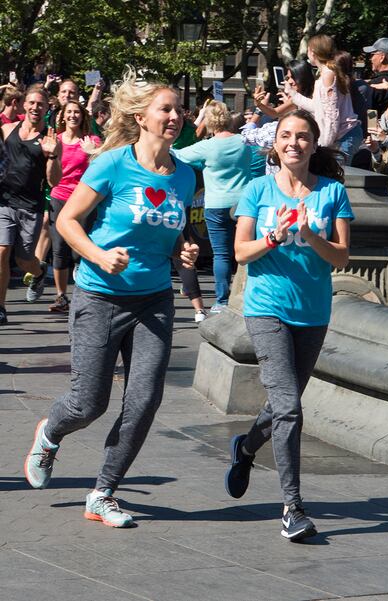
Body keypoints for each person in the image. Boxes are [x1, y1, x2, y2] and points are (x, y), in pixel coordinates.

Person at [24, 69, 199, 528]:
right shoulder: (113, 164)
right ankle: (50, 434)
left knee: (144, 399)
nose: (175, 116)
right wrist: (100, 256)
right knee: (89, 402)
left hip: (154, 301)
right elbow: (67, 222)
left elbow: (174, 228)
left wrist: (185, 247)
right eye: (166, 108)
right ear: (141, 117)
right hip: (99, 297)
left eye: (179, 109)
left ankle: (103, 492)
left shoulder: (185, 175)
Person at [225, 109, 353, 541]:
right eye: (285, 136)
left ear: (313, 145)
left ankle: (245, 448)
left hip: (313, 313)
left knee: (284, 405)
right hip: (267, 309)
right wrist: (274, 238)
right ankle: (292, 507)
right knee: (291, 409)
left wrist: (310, 234)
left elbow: (341, 258)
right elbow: (241, 253)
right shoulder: (257, 190)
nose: (293, 143)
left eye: (302, 136)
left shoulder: (332, 191)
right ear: (274, 144)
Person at [174, 101, 252, 313]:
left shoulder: (207, 146)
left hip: (216, 204)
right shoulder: (244, 141)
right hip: (242, 204)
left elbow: (177, 155)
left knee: (221, 254)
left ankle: (222, 301)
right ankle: (247, 296)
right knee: (245, 252)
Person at [0, 87, 62, 325]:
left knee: (24, 260)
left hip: (30, 206)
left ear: (47, 109)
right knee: (2, 251)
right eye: (32, 103)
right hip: (4, 202)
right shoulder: (7, 130)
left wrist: (52, 156)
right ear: (23, 105)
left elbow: (53, 181)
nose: (36, 108)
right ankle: (1, 307)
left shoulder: (50, 139)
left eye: (41, 105)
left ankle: (38, 272)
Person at [48, 100, 101, 312]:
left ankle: (84, 291)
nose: (72, 115)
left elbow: (104, 164)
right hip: (59, 197)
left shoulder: (92, 140)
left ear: (82, 116)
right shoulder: (56, 140)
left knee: (81, 249)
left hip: (83, 199)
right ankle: (61, 296)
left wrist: (92, 152)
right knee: (59, 248)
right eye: (68, 112)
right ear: (62, 116)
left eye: (76, 112)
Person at [285, 34, 363, 165]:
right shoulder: (327, 74)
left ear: (313, 52)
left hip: (343, 136)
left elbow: (331, 114)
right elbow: (317, 107)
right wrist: (293, 94)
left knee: (334, 177)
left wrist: (324, 145)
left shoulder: (328, 75)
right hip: (340, 136)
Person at [363, 38, 388, 116]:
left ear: (382, 57)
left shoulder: (376, 86)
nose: (370, 59)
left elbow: (371, 115)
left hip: (382, 127)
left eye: (372, 54)